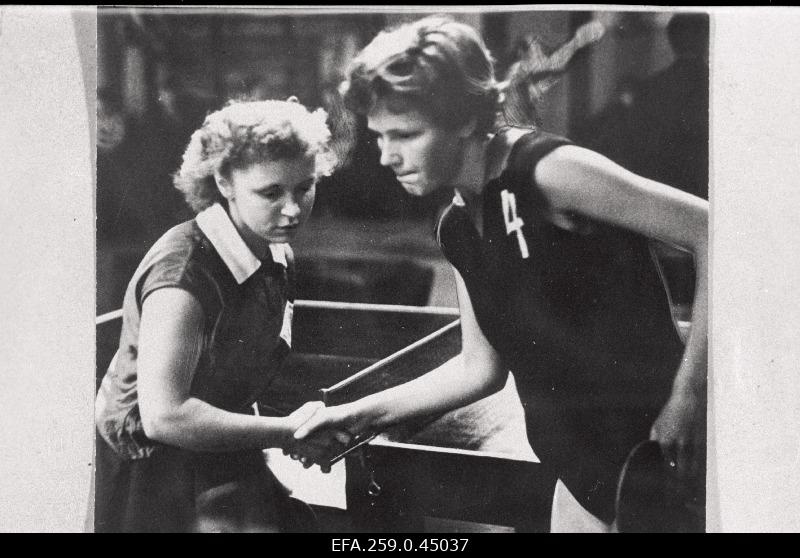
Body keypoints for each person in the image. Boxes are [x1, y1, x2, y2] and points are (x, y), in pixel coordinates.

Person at [291, 15, 708, 532]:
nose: (387, 157)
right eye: (379, 137)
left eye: (406, 135)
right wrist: (355, 415)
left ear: (466, 121)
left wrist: (688, 397)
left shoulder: (550, 171)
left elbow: (710, 229)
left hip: (661, 457)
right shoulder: (456, 227)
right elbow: (478, 370)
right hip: (582, 476)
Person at [94, 98, 350, 532]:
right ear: (224, 182)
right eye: (271, 193)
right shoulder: (182, 276)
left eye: (305, 187)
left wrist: (282, 435)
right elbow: (165, 417)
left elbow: (235, 375)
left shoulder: (275, 251)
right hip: (148, 473)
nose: (293, 209)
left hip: (214, 450)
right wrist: (287, 432)